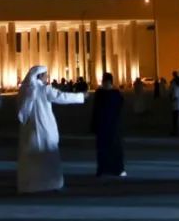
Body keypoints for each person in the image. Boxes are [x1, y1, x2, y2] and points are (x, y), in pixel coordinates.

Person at [17, 65, 86, 193]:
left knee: (32, 158)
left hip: (30, 129)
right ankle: (50, 183)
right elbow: (61, 96)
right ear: (40, 76)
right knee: (47, 156)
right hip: (45, 128)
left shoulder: (25, 90)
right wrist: (80, 97)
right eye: (45, 75)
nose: (47, 77)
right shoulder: (44, 90)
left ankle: (31, 184)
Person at [90, 72, 125, 177]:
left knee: (108, 149)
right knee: (108, 149)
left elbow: (96, 110)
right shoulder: (114, 94)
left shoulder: (102, 94)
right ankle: (111, 169)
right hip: (109, 126)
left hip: (107, 126)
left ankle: (108, 169)